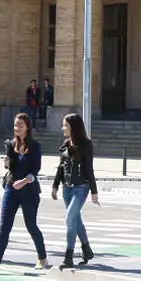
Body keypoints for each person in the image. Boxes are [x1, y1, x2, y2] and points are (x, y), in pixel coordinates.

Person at [0, 113, 48, 274]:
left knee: (31, 225)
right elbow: (11, 168)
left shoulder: (35, 146)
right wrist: (7, 163)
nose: (17, 128)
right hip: (12, 189)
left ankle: (42, 257)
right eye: (15, 125)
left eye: (20, 125)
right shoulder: (11, 145)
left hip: (29, 190)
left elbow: (36, 169)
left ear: (27, 127)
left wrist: (25, 181)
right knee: (4, 226)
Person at [52, 113, 97, 269]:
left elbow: (90, 169)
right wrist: (55, 185)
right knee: (76, 220)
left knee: (69, 219)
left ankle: (68, 256)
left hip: (81, 188)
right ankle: (87, 249)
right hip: (67, 189)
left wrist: (94, 191)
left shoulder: (86, 144)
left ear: (74, 127)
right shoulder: (65, 144)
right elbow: (61, 166)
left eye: (65, 125)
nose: (63, 128)